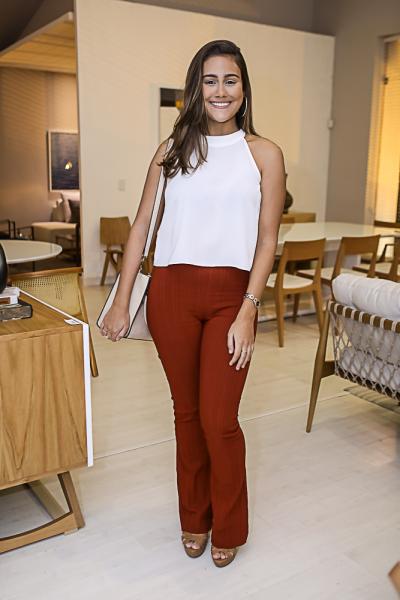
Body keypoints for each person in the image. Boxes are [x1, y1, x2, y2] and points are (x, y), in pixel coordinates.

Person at [100, 39, 285, 568]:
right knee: (186, 415)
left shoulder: (264, 154)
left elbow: (267, 240)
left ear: (244, 88)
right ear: (196, 88)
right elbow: (142, 225)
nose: (220, 90)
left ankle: (229, 525)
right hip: (172, 294)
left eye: (230, 80)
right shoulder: (171, 150)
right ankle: (194, 518)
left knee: (219, 420)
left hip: (232, 296)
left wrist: (249, 308)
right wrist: (120, 301)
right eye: (210, 80)